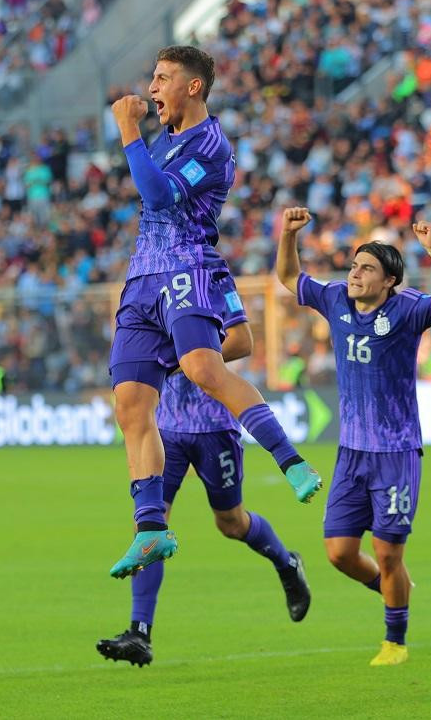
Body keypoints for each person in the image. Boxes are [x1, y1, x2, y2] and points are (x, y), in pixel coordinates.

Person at [107, 46, 321, 579]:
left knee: (204, 368)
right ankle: (151, 528)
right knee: (130, 404)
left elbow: (158, 197)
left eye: (162, 78)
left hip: (185, 268)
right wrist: (140, 136)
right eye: (151, 77)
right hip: (141, 279)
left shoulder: (211, 144)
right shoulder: (165, 139)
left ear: (193, 86)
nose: (152, 87)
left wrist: (127, 132)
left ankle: (291, 461)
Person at [275, 208, 431, 666]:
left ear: (388, 282)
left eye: (366, 269)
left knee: (387, 551)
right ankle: (392, 586)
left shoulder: (407, 309)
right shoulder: (336, 299)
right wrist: (287, 235)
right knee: (340, 553)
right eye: (355, 265)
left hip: (396, 452)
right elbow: (288, 276)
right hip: (351, 453)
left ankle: (395, 640)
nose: (355, 273)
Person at [97, 274, 311, 666]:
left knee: (230, 522)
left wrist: (188, 358)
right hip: (168, 430)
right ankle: (139, 632)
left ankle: (286, 562)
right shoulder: (148, 281)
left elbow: (242, 339)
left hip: (215, 427)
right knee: (149, 526)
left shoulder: (209, 279)